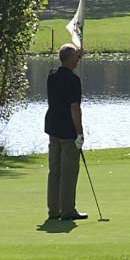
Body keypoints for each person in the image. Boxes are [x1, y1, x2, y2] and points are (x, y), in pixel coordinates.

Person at [45, 43, 87, 220]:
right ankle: (68, 210)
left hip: (52, 127)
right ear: (70, 59)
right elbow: (75, 108)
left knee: (55, 170)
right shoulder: (73, 80)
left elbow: (69, 58)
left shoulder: (52, 75)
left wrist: (77, 53)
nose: (78, 59)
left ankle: (54, 211)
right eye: (76, 57)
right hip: (67, 129)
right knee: (69, 171)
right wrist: (79, 133)